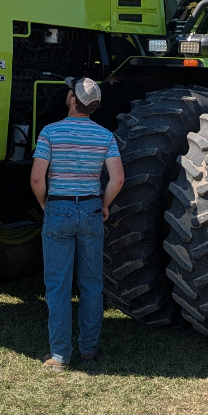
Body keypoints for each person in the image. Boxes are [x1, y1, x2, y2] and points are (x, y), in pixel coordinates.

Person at [30, 77, 124, 372]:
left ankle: (59, 356)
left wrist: (46, 203)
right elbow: (118, 178)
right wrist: (104, 204)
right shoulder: (105, 136)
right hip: (91, 208)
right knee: (92, 285)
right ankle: (89, 350)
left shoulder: (50, 133)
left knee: (58, 286)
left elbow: (36, 177)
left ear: (72, 100)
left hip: (58, 206)